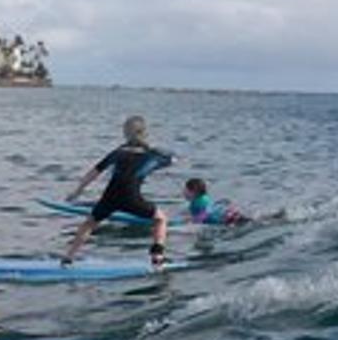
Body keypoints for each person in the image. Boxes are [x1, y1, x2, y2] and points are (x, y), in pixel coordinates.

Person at [60, 115, 175, 268]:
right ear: (144, 133)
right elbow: (172, 161)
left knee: (89, 224)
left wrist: (77, 192)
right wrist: (157, 155)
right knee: (161, 219)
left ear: (125, 133)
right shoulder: (150, 155)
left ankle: (68, 259)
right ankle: (157, 257)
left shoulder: (117, 152)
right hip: (131, 198)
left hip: (110, 196)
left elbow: (93, 173)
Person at [184, 177, 253, 226]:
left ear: (193, 192)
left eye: (186, 190)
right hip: (224, 214)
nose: (183, 192)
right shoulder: (201, 199)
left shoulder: (200, 201)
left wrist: (194, 222)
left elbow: (206, 212)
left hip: (224, 219)